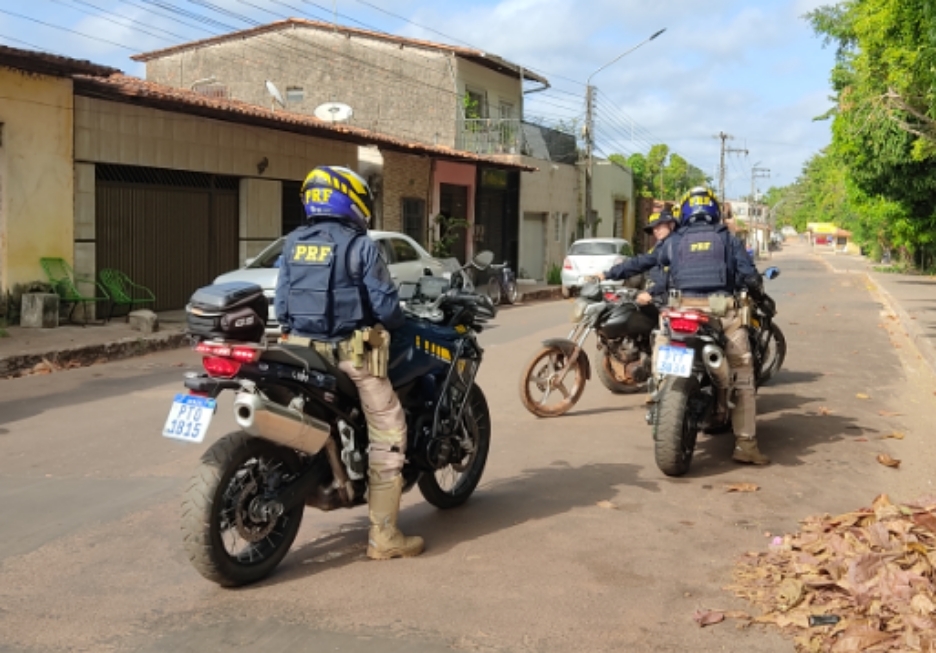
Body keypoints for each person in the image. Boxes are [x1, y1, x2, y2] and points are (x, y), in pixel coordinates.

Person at [274, 165, 425, 559]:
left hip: (299, 353)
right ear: (350, 199)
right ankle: (384, 536)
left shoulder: (293, 243)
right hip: (349, 355)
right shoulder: (360, 246)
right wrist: (394, 319)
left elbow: (283, 307)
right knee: (389, 428)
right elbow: (387, 310)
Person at [595, 186, 769, 465]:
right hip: (720, 315)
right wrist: (755, 288)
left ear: (685, 213)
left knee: (662, 348)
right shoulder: (727, 239)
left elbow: (643, 261)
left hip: (679, 312)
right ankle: (745, 445)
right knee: (743, 376)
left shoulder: (674, 241)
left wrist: (609, 273)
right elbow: (748, 277)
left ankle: (658, 395)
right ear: (713, 211)